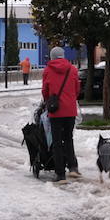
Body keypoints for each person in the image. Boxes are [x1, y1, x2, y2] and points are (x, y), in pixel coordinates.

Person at [40, 46, 80, 183]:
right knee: (68, 139)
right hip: (70, 110)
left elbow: (45, 90)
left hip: (55, 111)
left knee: (57, 142)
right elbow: (77, 89)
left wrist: (47, 102)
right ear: (63, 56)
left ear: (51, 57)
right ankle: (73, 168)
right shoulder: (72, 69)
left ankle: (60, 174)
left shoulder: (47, 70)